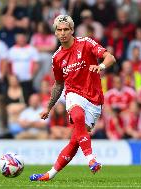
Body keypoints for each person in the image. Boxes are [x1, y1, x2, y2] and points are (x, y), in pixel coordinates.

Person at [30, 15, 116, 181]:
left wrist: (101, 66)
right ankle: (91, 159)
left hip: (94, 98)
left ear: (72, 30)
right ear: (55, 32)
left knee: (76, 140)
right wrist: (48, 107)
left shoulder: (86, 42)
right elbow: (58, 84)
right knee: (77, 116)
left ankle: (49, 175)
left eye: (66, 29)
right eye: (59, 30)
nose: (63, 33)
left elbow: (110, 57)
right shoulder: (56, 57)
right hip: (74, 94)